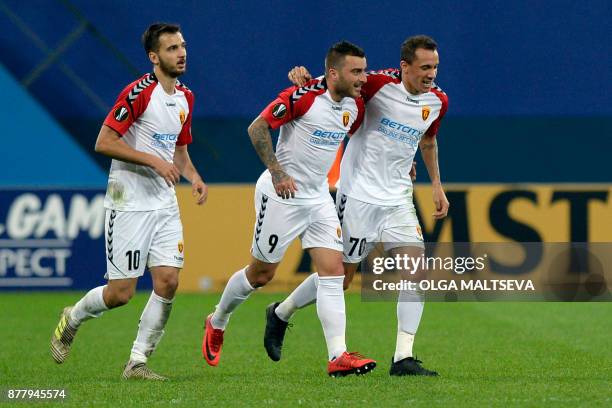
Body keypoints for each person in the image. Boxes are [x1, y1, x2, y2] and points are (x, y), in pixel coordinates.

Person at [265, 35, 449, 377]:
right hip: (358, 196)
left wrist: (436, 184)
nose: (432, 74)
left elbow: (428, 139)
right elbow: (335, 84)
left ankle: (403, 357)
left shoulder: (438, 100)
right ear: (405, 66)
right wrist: (304, 78)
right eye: (425, 67)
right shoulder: (377, 84)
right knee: (341, 279)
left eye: (436, 66)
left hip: (398, 200)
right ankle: (281, 312)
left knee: (416, 273)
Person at [202, 41, 376, 377]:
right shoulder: (302, 96)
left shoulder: (354, 107)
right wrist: (278, 172)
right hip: (282, 194)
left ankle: (337, 355)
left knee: (334, 273)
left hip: (318, 197)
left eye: (364, 70)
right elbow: (257, 128)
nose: (363, 78)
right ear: (333, 72)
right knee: (261, 275)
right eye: (356, 71)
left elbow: (363, 139)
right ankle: (218, 319)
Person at [50, 23, 207, 381]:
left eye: (182, 46)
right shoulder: (139, 93)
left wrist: (194, 177)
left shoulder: (186, 97)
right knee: (121, 294)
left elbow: (178, 149)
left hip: (164, 203)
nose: (181, 53)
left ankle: (136, 363)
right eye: (171, 49)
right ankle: (72, 317)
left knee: (168, 281)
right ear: (154, 57)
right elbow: (104, 141)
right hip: (129, 201)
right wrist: (153, 160)